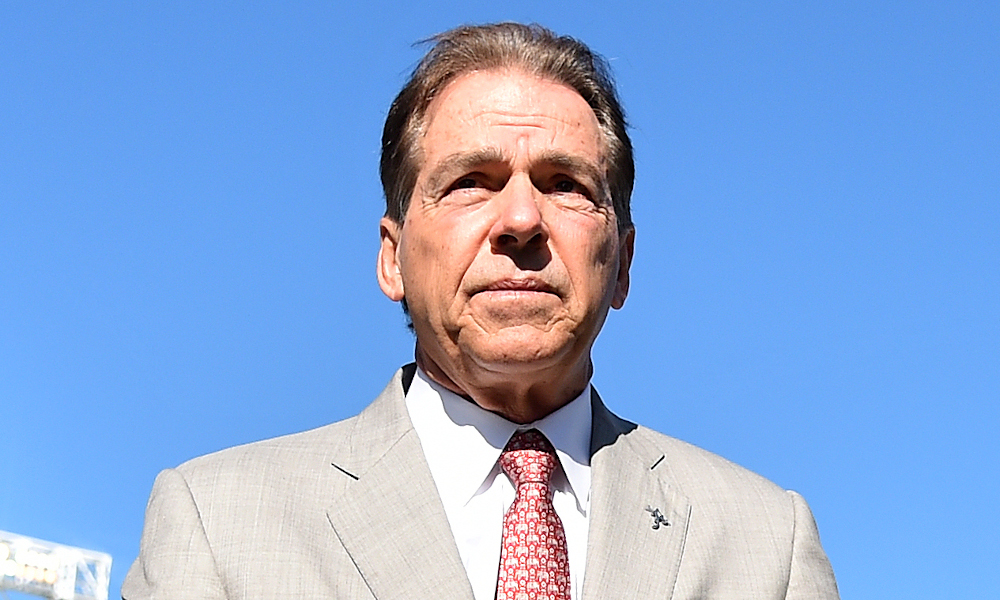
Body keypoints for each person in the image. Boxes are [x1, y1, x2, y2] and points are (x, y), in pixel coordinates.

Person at [123, 23, 839, 600]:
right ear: (392, 257)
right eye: (471, 181)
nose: (521, 219)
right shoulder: (216, 525)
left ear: (622, 261)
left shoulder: (765, 545)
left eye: (565, 185)